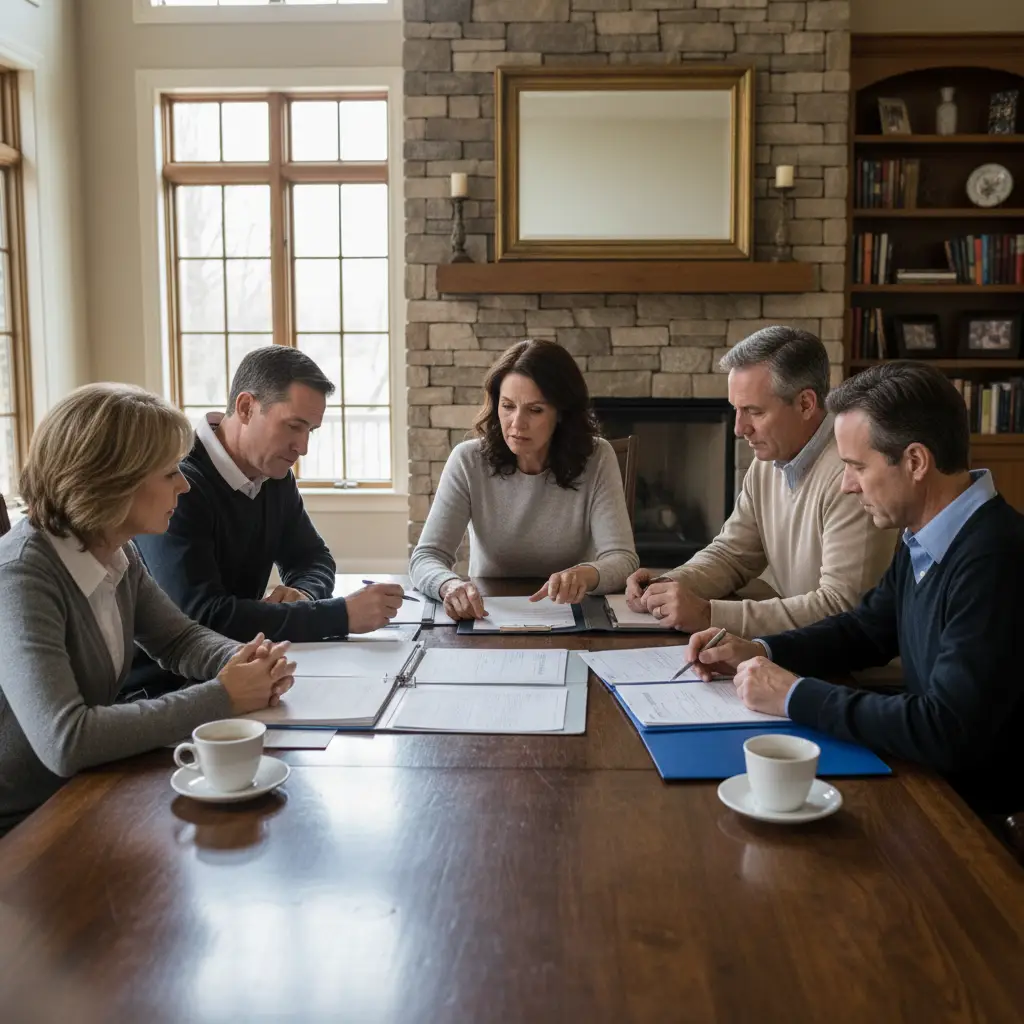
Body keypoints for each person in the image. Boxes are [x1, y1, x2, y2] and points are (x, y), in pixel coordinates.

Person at [686, 362, 1024, 815]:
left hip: (973, 821)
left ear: (916, 461)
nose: (846, 485)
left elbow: (947, 729)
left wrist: (793, 695)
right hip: (928, 782)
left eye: (855, 466)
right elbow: (867, 630)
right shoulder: (926, 532)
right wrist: (761, 651)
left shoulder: (995, 558)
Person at [0, 383, 295, 835]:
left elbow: (177, 639)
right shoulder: (21, 576)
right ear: (113, 481)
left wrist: (241, 661)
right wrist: (224, 694)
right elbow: (67, 739)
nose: (185, 483)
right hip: (24, 826)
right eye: (169, 472)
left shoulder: (114, 547)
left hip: (83, 793)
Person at [129, 346, 403, 694]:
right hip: (165, 691)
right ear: (246, 407)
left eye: (311, 431)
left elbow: (313, 558)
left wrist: (303, 593)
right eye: (293, 426)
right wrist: (340, 616)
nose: (302, 447)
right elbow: (205, 617)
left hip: (243, 670)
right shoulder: (178, 483)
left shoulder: (273, 475)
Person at [625, 326, 896, 636]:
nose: (739, 429)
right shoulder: (767, 463)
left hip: (846, 668)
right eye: (736, 410)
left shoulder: (852, 475)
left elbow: (841, 608)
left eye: (753, 411)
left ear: (806, 404)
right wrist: (669, 586)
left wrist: (708, 614)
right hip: (795, 647)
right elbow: (731, 556)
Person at [410, 338, 639, 620]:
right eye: (508, 406)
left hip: (573, 616)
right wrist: (450, 585)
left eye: (535, 410)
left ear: (561, 415)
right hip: (488, 615)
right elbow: (426, 557)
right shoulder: (468, 460)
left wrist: (588, 574)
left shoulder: (597, 457)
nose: (517, 423)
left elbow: (623, 559)